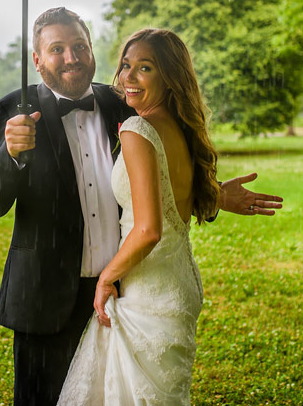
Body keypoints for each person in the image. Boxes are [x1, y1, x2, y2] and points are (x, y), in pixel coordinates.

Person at [0, 10, 282, 405]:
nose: (72, 57)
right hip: (43, 300)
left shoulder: (124, 102)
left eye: (80, 46)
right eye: (57, 49)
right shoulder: (12, 110)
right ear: (37, 59)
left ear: (92, 50)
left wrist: (215, 193)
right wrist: (10, 152)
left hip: (121, 293)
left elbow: (154, 179)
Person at [58, 27, 237, 405]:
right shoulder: (181, 127)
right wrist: (220, 195)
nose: (129, 77)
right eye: (126, 66)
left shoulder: (138, 130)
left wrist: (107, 277)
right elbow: (176, 204)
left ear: (169, 76)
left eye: (145, 68)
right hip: (180, 283)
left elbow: (149, 229)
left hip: (147, 289)